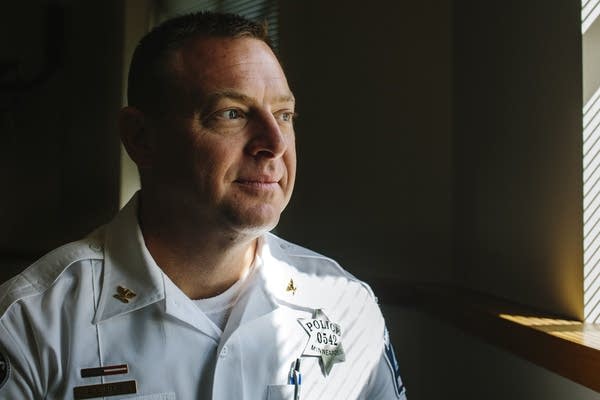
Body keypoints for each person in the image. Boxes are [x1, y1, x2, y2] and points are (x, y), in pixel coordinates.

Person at [0, 11, 406, 399]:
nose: (275, 144)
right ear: (141, 137)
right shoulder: (30, 323)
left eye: (284, 114)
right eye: (231, 113)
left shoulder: (344, 305)